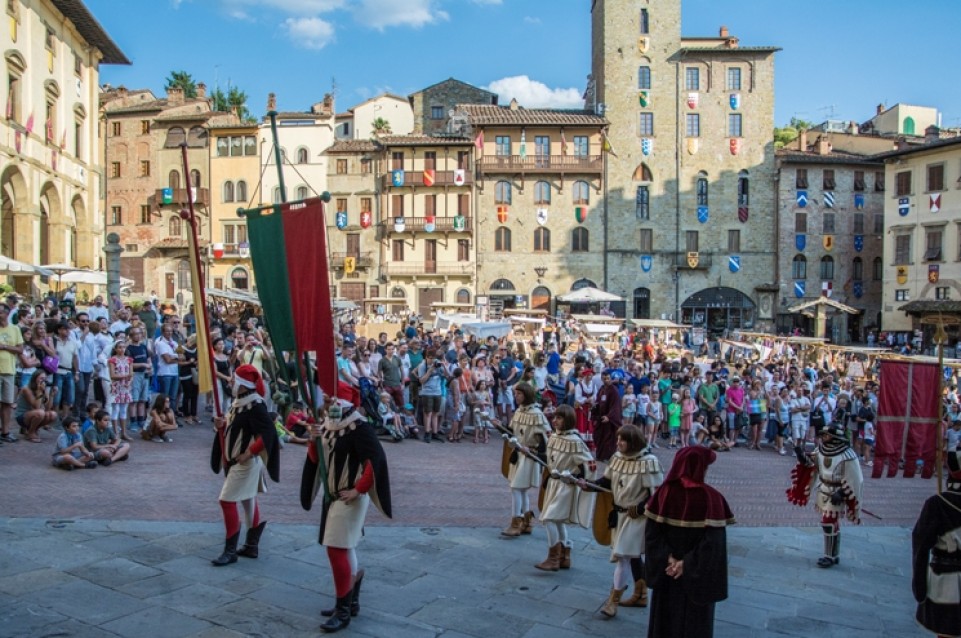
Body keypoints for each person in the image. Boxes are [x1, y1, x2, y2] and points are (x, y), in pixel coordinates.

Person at [301, 394, 392, 633]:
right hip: (332, 495)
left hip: (347, 496)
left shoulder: (359, 427)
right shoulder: (327, 426)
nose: (328, 406)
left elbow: (375, 460)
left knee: (336, 548)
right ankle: (349, 600)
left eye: (331, 403)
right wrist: (313, 441)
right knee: (344, 546)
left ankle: (342, 610)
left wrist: (358, 489)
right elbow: (316, 459)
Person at [644, 446, 735, 637]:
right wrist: (687, 564)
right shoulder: (712, 499)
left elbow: (652, 534)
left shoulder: (663, 494)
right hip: (696, 577)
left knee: (664, 624)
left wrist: (668, 559)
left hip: (667, 573)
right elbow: (713, 544)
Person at [581, 424, 664, 618]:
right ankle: (641, 594)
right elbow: (607, 482)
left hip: (636, 518)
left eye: (622, 440)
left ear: (633, 441)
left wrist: (641, 507)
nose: (617, 443)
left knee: (623, 556)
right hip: (619, 515)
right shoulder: (617, 458)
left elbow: (657, 495)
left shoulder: (649, 462)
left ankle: (613, 601)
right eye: (617, 439)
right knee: (632, 555)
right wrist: (589, 485)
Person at [210, 364, 280, 567]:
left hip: (245, 463)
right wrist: (220, 426)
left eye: (234, 379)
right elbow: (232, 428)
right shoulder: (239, 401)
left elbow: (269, 433)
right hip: (236, 461)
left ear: (242, 384)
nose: (231, 382)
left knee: (227, 501)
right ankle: (251, 545)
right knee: (248, 501)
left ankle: (230, 550)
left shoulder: (255, 404)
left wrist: (250, 452)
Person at [786, 422, 863, 568]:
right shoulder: (821, 449)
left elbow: (855, 478)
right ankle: (833, 555)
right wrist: (800, 454)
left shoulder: (848, 454)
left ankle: (830, 556)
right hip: (824, 489)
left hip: (837, 491)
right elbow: (811, 464)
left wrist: (842, 492)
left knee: (827, 522)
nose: (823, 437)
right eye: (823, 435)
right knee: (831, 522)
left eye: (826, 435)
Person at [536, 404, 594, 572]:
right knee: (558, 520)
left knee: (548, 519)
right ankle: (564, 555)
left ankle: (553, 557)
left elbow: (589, 464)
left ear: (567, 419)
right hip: (554, 483)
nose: (555, 421)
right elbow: (549, 459)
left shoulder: (575, 441)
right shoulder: (554, 437)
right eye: (554, 417)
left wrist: (576, 478)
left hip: (565, 486)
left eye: (559, 418)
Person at [913, 448, 961, 637]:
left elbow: (920, 546)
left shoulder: (937, 504)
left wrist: (920, 586)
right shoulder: (937, 503)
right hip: (947, 579)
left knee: (946, 633)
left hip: (946, 581)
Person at [497, 382, 550, 538]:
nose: (516, 396)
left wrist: (533, 450)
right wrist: (500, 426)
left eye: (519, 394)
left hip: (529, 455)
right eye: (515, 394)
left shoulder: (536, 414)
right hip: (518, 453)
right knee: (521, 490)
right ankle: (527, 522)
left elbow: (545, 440)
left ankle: (516, 523)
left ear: (526, 394)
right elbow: (512, 431)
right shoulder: (519, 411)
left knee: (516, 488)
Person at [0, 305, 24, 443]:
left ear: (7, 314)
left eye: (0, 312)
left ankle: (6, 431)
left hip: (9, 370)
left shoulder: (14, 329)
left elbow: (20, 349)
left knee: (7, 403)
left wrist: (4, 346)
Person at [16, 371, 58, 443]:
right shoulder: (26, 389)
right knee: (40, 412)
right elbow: (36, 407)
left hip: (35, 413)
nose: (43, 381)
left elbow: (47, 407)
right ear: (34, 378)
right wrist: (39, 391)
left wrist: (51, 396)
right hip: (22, 416)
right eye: (41, 378)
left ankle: (32, 429)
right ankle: (30, 433)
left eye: (44, 379)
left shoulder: (43, 389)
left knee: (53, 414)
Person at [107, 339, 134, 441]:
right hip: (116, 387)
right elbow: (113, 375)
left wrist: (130, 380)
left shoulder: (129, 360)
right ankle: (115, 433)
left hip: (125, 387)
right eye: (120, 347)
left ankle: (123, 432)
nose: (122, 349)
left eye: (124, 347)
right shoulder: (112, 360)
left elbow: (132, 373)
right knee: (116, 409)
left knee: (123, 410)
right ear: (115, 349)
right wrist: (126, 376)